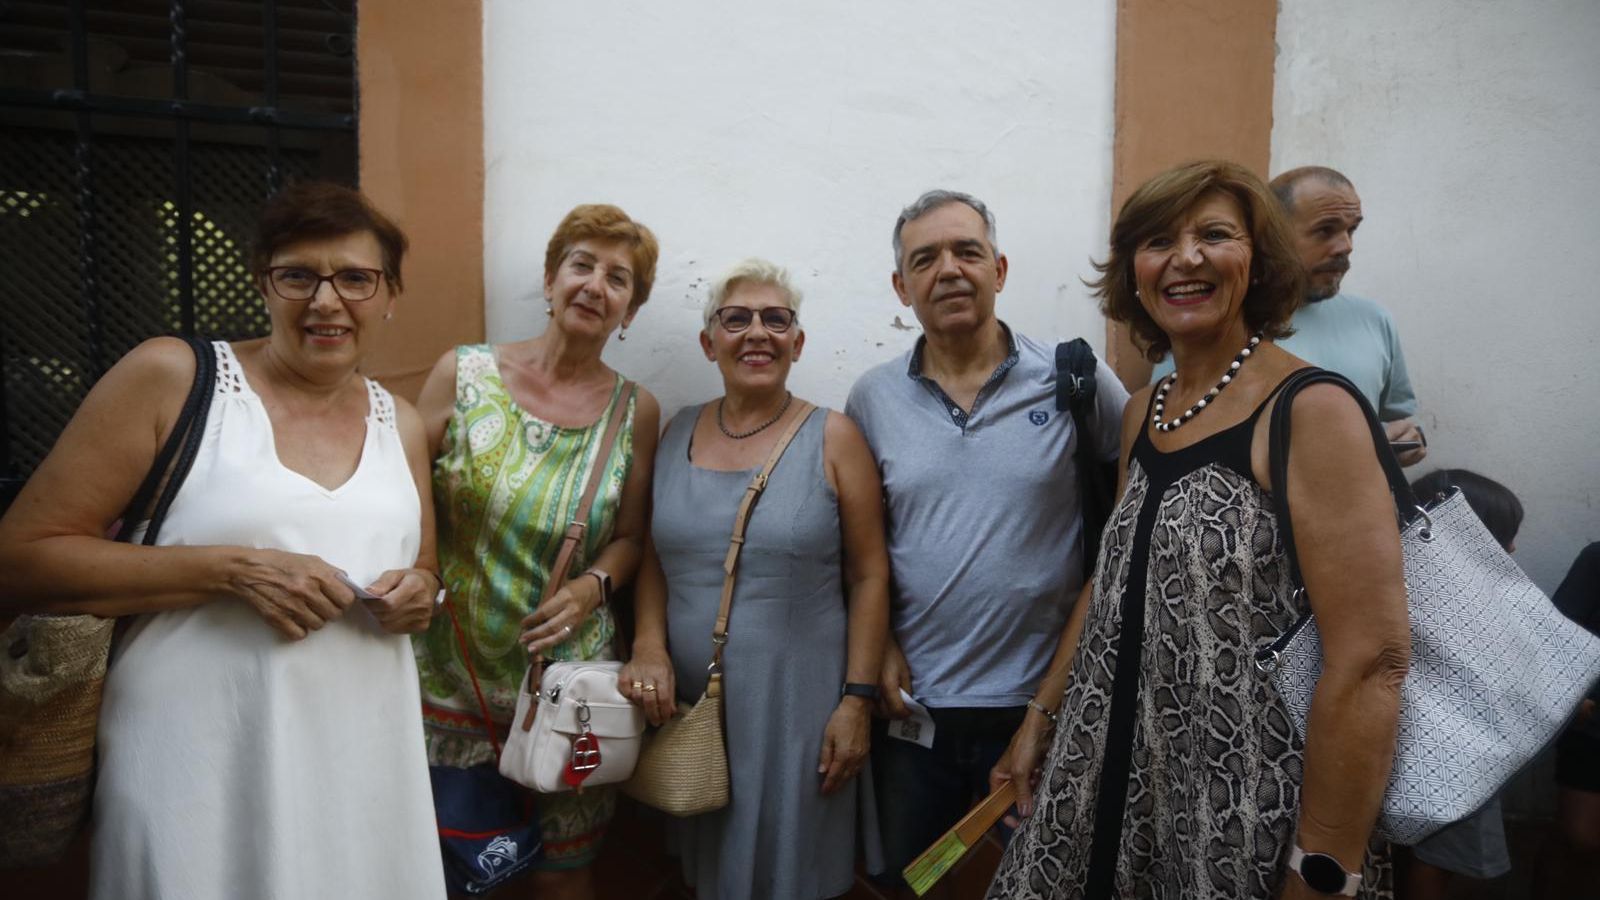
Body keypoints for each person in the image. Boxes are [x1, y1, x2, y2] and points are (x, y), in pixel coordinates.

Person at [0, 182, 446, 899]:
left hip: (362, 763)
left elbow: (419, 562)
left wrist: (423, 590)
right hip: (194, 764)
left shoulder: (401, 419)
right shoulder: (175, 377)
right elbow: (21, 557)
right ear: (262, 282)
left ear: (390, 294)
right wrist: (231, 570)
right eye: (298, 274)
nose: (326, 301)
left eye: (356, 278)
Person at [987, 160, 1409, 899]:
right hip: (1111, 769)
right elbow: (1113, 583)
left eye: (1214, 235)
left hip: (1246, 802)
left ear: (1260, 259)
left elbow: (1372, 660)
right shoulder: (1144, 410)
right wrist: (1040, 718)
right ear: (1134, 273)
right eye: (1157, 241)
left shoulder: (1311, 410)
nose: (1185, 258)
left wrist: (1323, 867)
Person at [844, 189, 1128, 896]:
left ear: (999, 269)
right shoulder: (871, 400)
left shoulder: (1075, 381)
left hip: (1039, 714)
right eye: (925, 258)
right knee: (914, 884)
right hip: (915, 720)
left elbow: (1133, 525)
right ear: (901, 285)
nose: (949, 270)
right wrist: (875, 643)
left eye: (967, 251)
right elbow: (859, 551)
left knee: (1036, 886)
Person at [411, 204, 661, 900]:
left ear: (630, 311)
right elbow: (398, 492)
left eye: (618, 278)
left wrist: (590, 589)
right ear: (551, 279)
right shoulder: (461, 375)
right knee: (450, 869)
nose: (594, 285)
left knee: (563, 874)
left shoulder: (634, 410)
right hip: (444, 684)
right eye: (581, 265)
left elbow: (633, 537)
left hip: (569, 692)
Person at [621, 258, 889, 899]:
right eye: (736, 319)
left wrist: (857, 700)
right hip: (693, 709)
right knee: (708, 871)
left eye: (776, 320)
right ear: (709, 342)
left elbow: (870, 575)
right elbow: (657, 558)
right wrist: (648, 645)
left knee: (791, 871)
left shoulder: (834, 436)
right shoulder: (678, 429)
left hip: (798, 709)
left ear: (798, 343)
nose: (757, 333)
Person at [1152, 165, 1428, 466]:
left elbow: (1394, 420)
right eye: (1325, 230)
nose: (1345, 246)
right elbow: (1172, 437)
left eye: (1352, 229)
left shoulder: (1374, 319)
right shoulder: (1211, 324)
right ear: (1271, 235)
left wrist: (1405, 439)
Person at [1400, 469, 1523, 897]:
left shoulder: (1401, 585)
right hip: (1454, 763)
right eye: (1504, 535)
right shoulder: (1471, 605)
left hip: (1420, 757)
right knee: (1437, 865)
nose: (1512, 547)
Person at [1535, 541, 1600, 899]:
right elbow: (1558, 633)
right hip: (1592, 726)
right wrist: (1574, 699)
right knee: (1579, 838)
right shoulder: (1597, 558)